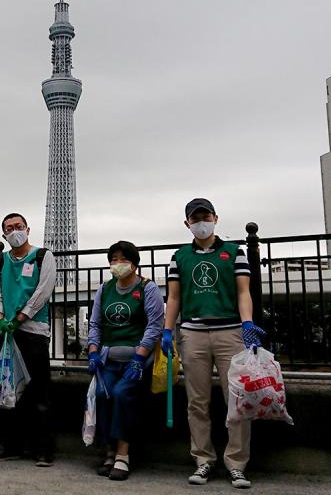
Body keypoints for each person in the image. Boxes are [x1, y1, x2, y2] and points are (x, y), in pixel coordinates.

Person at [162, 198, 265, 489]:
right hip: (192, 332)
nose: (201, 222)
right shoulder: (179, 257)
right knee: (197, 401)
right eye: (195, 218)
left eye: (205, 216)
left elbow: (243, 292)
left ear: (216, 218)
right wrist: (167, 330)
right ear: (187, 224)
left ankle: (237, 463)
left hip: (230, 330)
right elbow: (174, 298)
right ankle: (203, 459)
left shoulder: (236, 253)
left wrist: (247, 323)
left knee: (237, 399)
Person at [86, 240, 164, 481]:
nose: (118, 264)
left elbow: (154, 325)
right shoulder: (104, 289)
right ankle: (109, 448)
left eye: (123, 259)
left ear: (134, 263)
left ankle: (123, 453)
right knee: (102, 395)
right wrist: (93, 351)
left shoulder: (147, 288)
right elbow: (96, 323)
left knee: (122, 394)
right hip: (109, 358)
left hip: (136, 359)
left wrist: (140, 358)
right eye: (114, 259)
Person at [0, 213, 57, 467]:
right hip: (5, 331)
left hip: (33, 330)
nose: (14, 231)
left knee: (39, 389)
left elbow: (43, 290)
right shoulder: (0, 262)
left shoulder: (42, 256)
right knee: (6, 388)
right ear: (4, 234)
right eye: (9, 228)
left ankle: (44, 447)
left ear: (28, 229)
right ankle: (8, 443)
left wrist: (20, 317)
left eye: (18, 226)